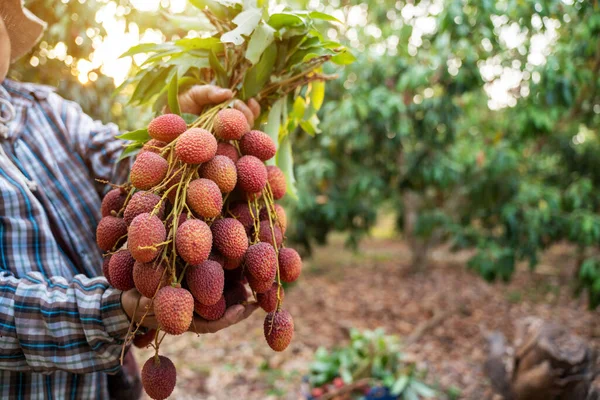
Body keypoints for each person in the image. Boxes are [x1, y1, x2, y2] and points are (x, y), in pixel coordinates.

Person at [0, 1, 259, 398]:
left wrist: (179, 123)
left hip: (112, 385)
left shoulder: (43, 108)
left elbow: (124, 164)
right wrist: (112, 311)